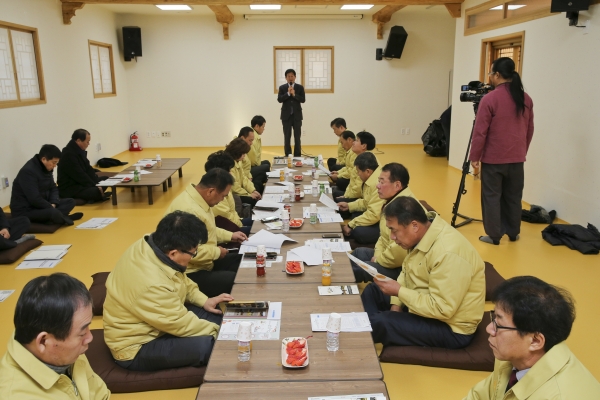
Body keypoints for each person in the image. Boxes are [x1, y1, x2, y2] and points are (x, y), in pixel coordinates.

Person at [103, 211, 232, 372]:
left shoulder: (151, 244)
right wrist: (224, 333)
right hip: (136, 346)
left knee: (219, 317)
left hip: (158, 321)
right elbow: (180, 324)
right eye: (193, 253)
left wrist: (204, 300)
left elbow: (182, 280)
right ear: (173, 253)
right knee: (210, 346)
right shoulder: (152, 283)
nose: (193, 256)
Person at [361, 196, 485, 349]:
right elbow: (406, 272)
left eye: (394, 230)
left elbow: (443, 309)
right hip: (424, 303)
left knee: (383, 322)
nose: (392, 237)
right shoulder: (421, 236)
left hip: (450, 327)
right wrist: (396, 305)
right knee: (373, 291)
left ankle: (363, 334)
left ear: (414, 226)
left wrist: (399, 292)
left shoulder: (448, 253)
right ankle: (367, 329)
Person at [465, 276, 600, 399]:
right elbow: (479, 396)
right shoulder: (513, 358)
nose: (489, 328)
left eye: (499, 324)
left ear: (535, 341)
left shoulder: (558, 395)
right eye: (494, 318)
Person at [0, 273, 110, 399]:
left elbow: (100, 394)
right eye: (82, 333)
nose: (89, 337)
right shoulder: (15, 395)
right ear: (43, 341)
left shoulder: (66, 352)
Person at [469, 57, 534, 245]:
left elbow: (480, 131)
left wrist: (475, 156)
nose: (490, 77)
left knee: (491, 197)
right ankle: (513, 232)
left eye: (491, 73)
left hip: (493, 160)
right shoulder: (526, 98)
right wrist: (521, 151)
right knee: (514, 197)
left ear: (497, 75)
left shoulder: (490, 99)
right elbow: (529, 129)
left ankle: (494, 235)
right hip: (517, 159)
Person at [165, 169, 246, 297]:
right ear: (211, 191)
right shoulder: (190, 211)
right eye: (223, 196)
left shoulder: (199, 201)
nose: (222, 200)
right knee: (235, 280)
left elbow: (209, 230)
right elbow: (187, 252)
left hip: (205, 260)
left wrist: (230, 235)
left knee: (242, 260)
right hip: (189, 272)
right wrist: (217, 252)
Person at [351, 163, 425, 282]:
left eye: (382, 182)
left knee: (362, 269)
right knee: (359, 253)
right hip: (386, 254)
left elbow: (399, 252)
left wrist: (378, 260)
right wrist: (377, 255)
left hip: (402, 266)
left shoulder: (405, 209)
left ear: (397, 185)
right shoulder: (391, 201)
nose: (377, 186)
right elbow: (383, 236)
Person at [10, 144, 82, 226]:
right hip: (26, 210)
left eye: (56, 163)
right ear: (44, 159)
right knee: (52, 212)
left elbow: (53, 188)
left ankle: (57, 217)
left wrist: (53, 202)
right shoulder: (28, 172)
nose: (55, 166)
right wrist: (49, 206)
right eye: (54, 163)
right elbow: (34, 198)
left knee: (70, 202)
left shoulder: (46, 168)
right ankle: (62, 218)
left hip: (44, 204)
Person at [338, 152, 384, 247]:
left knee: (358, 231)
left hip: (384, 223)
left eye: (359, 171)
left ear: (368, 171)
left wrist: (350, 225)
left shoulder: (377, 185)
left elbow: (373, 214)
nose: (358, 174)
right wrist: (349, 206)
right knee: (353, 214)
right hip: (378, 215)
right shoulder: (372, 178)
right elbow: (366, 202)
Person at [205, 150, 253, 236]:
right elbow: (227, 218)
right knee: (259, 228)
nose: (231, 173)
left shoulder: (222, 185)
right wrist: (242, 226)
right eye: (229, 171)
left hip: (236, 222)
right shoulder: (215, 193)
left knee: (261, 222)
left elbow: (232, 213)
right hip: (231, 229)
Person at [57, 129, 110, 203]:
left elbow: (88, 168)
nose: (89, 144)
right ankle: (95, 194)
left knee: (106, 179)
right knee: (95, 191)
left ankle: (96, 194)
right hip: (70, 187)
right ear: (78, 141)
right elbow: (79, 175)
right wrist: (94, 185)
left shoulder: (79, 151)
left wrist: (95, 181)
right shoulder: (68, 155)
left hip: (81, 184)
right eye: (87, 141)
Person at [332, 131, 376, 200]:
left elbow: (358, 190)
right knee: (334, 192)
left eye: (356, 140)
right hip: (354, 193)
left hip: (360, 198)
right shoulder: (360, 157)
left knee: (336, 195)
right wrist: (346, 195)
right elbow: (352, 181)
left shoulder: (366, 161)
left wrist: (346, 196)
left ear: (364, 146)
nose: (353, 142)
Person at [224, 138, 262, 208]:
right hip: (233, 194)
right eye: (243, 153)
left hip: (240, 191)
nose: (244, 156)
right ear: (237, 153)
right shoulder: (229, 165)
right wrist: (249, 195)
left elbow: (244, 178)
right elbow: (234, 187)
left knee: (256, 191)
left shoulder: (238, 161)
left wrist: (252, 190)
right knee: (252, 200)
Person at [277, 68, 305, 157]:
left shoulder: (300, 87)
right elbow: (279, 99)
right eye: (288, 76)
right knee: (287, 136)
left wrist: (294, 94)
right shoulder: (282, 88)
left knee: (297, 136)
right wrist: (288, 94)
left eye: (292, 76)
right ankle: (288, 154)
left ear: (295, 77)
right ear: (286, 78)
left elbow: (303, 100)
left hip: (297, 116)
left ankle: (297, 155)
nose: (290, 78)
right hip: (286, 116)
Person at [238, 126, 266, 194]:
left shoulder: (243, 148)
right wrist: (250, 193)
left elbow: (244, 171)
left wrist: (249, 177)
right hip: (242, 184)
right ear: (242, 138)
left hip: (246, 178)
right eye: (250, 140)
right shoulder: (237, 153)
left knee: (261, 177)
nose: (251, 143)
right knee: (258, 184)